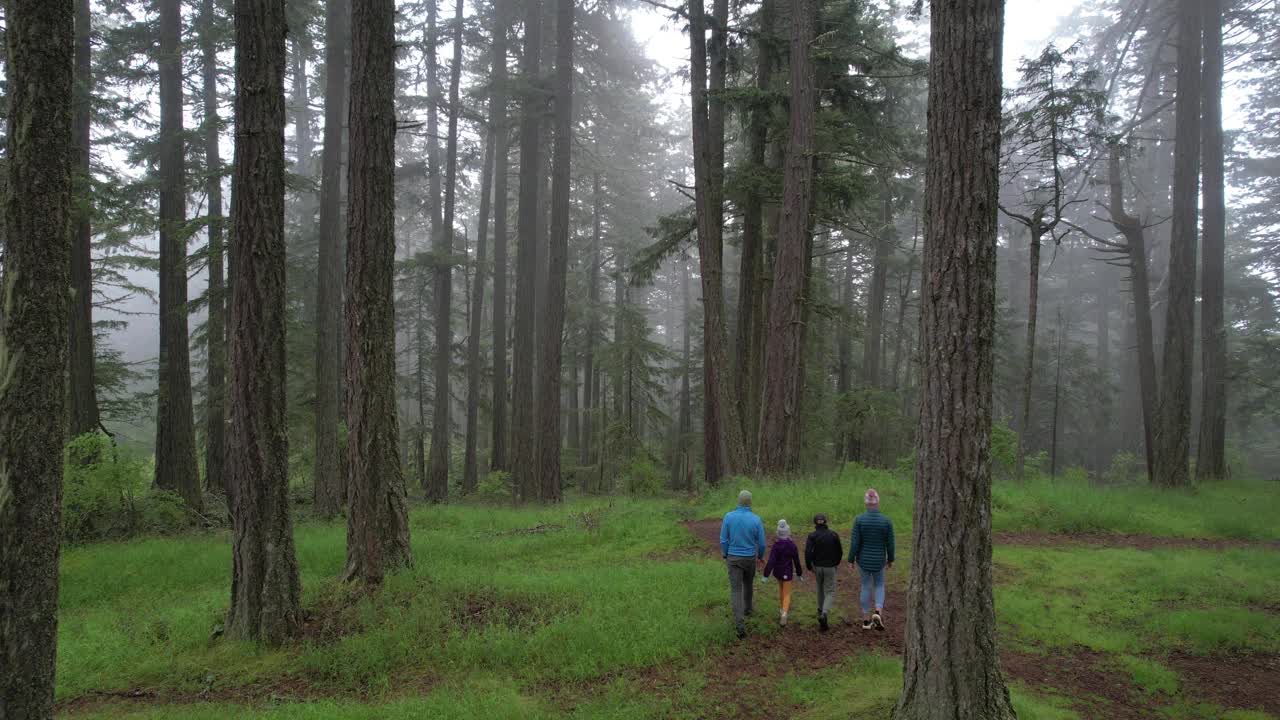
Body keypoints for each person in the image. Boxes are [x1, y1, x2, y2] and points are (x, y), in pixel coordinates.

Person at [720, 489, 767, 639]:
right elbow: (762, 543)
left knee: (736, 590)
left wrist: (725, 553)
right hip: (749, 559)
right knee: (748, 585)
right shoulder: (756, 519)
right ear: (750, 502)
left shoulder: (728, 517)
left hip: (733, 558)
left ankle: (739, 623)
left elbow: (723, 539)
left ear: (738, 501)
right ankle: (748, 609)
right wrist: (760, 556)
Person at [848, 488, 895, 631]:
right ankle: (878, 611)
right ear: (878, 502)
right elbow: (890, 543)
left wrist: (851, 560)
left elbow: (855, 542)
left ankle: (866, 620)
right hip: (879, 559)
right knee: (880, 585)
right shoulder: (886, 521)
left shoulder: (859, 520)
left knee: (865, 586)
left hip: (863, 560)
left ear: (866, 503)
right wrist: (890, 559)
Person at [804, 513, 843, 632]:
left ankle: (820, 610)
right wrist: (836, 563)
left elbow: (808, 552)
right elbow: (839, 551)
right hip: (830, 567)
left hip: (817, 567)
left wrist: (809, 566)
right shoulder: (833, 535)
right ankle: (824, 614)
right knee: (830, 591)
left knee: (820, 588)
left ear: (815, 523)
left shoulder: (812, 536)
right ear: (826, 522)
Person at [763, 519, 803, 626]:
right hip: (788, 573)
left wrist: (766, 575)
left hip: (778, 572)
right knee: (787, 593)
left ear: (778, 533)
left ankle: (782, 609)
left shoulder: (776, 546)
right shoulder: (792, 545)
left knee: (781, 589)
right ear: (788, 532)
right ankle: (784, 613)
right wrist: (799, 573)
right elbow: (796, 561)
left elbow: (771, 561)